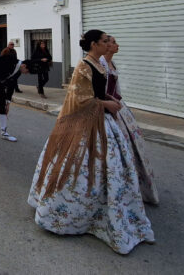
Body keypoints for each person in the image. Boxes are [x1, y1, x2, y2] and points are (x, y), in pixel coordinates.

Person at [27, 30, 154, 254]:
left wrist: (112, 101)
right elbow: (79, 99)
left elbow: (102, 91)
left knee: (110, 169)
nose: (108, 44)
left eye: (108, 41)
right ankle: (70, 215)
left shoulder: (101, 64)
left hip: (105, 122)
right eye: (105, 41)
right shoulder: (84, 66)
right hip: (84, 125)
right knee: (80, 170)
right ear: (94, 44)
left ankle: (108, 211)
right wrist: (105, 105)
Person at [100, 36, 159, 205]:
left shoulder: (112, 64)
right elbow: (100, 90)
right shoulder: (101, 63)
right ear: (106, 46)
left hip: (118, 105)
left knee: (132, 146)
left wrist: (120, 104)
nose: (117, 45)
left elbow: (116, 88)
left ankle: (134, 186)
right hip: (108, 108)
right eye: (112, 42)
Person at [0, 47, 30, 142]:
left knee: (1, 109)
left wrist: (8, 102)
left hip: (0, 87)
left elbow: (11, 84)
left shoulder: (16, 68)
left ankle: (4, 132)